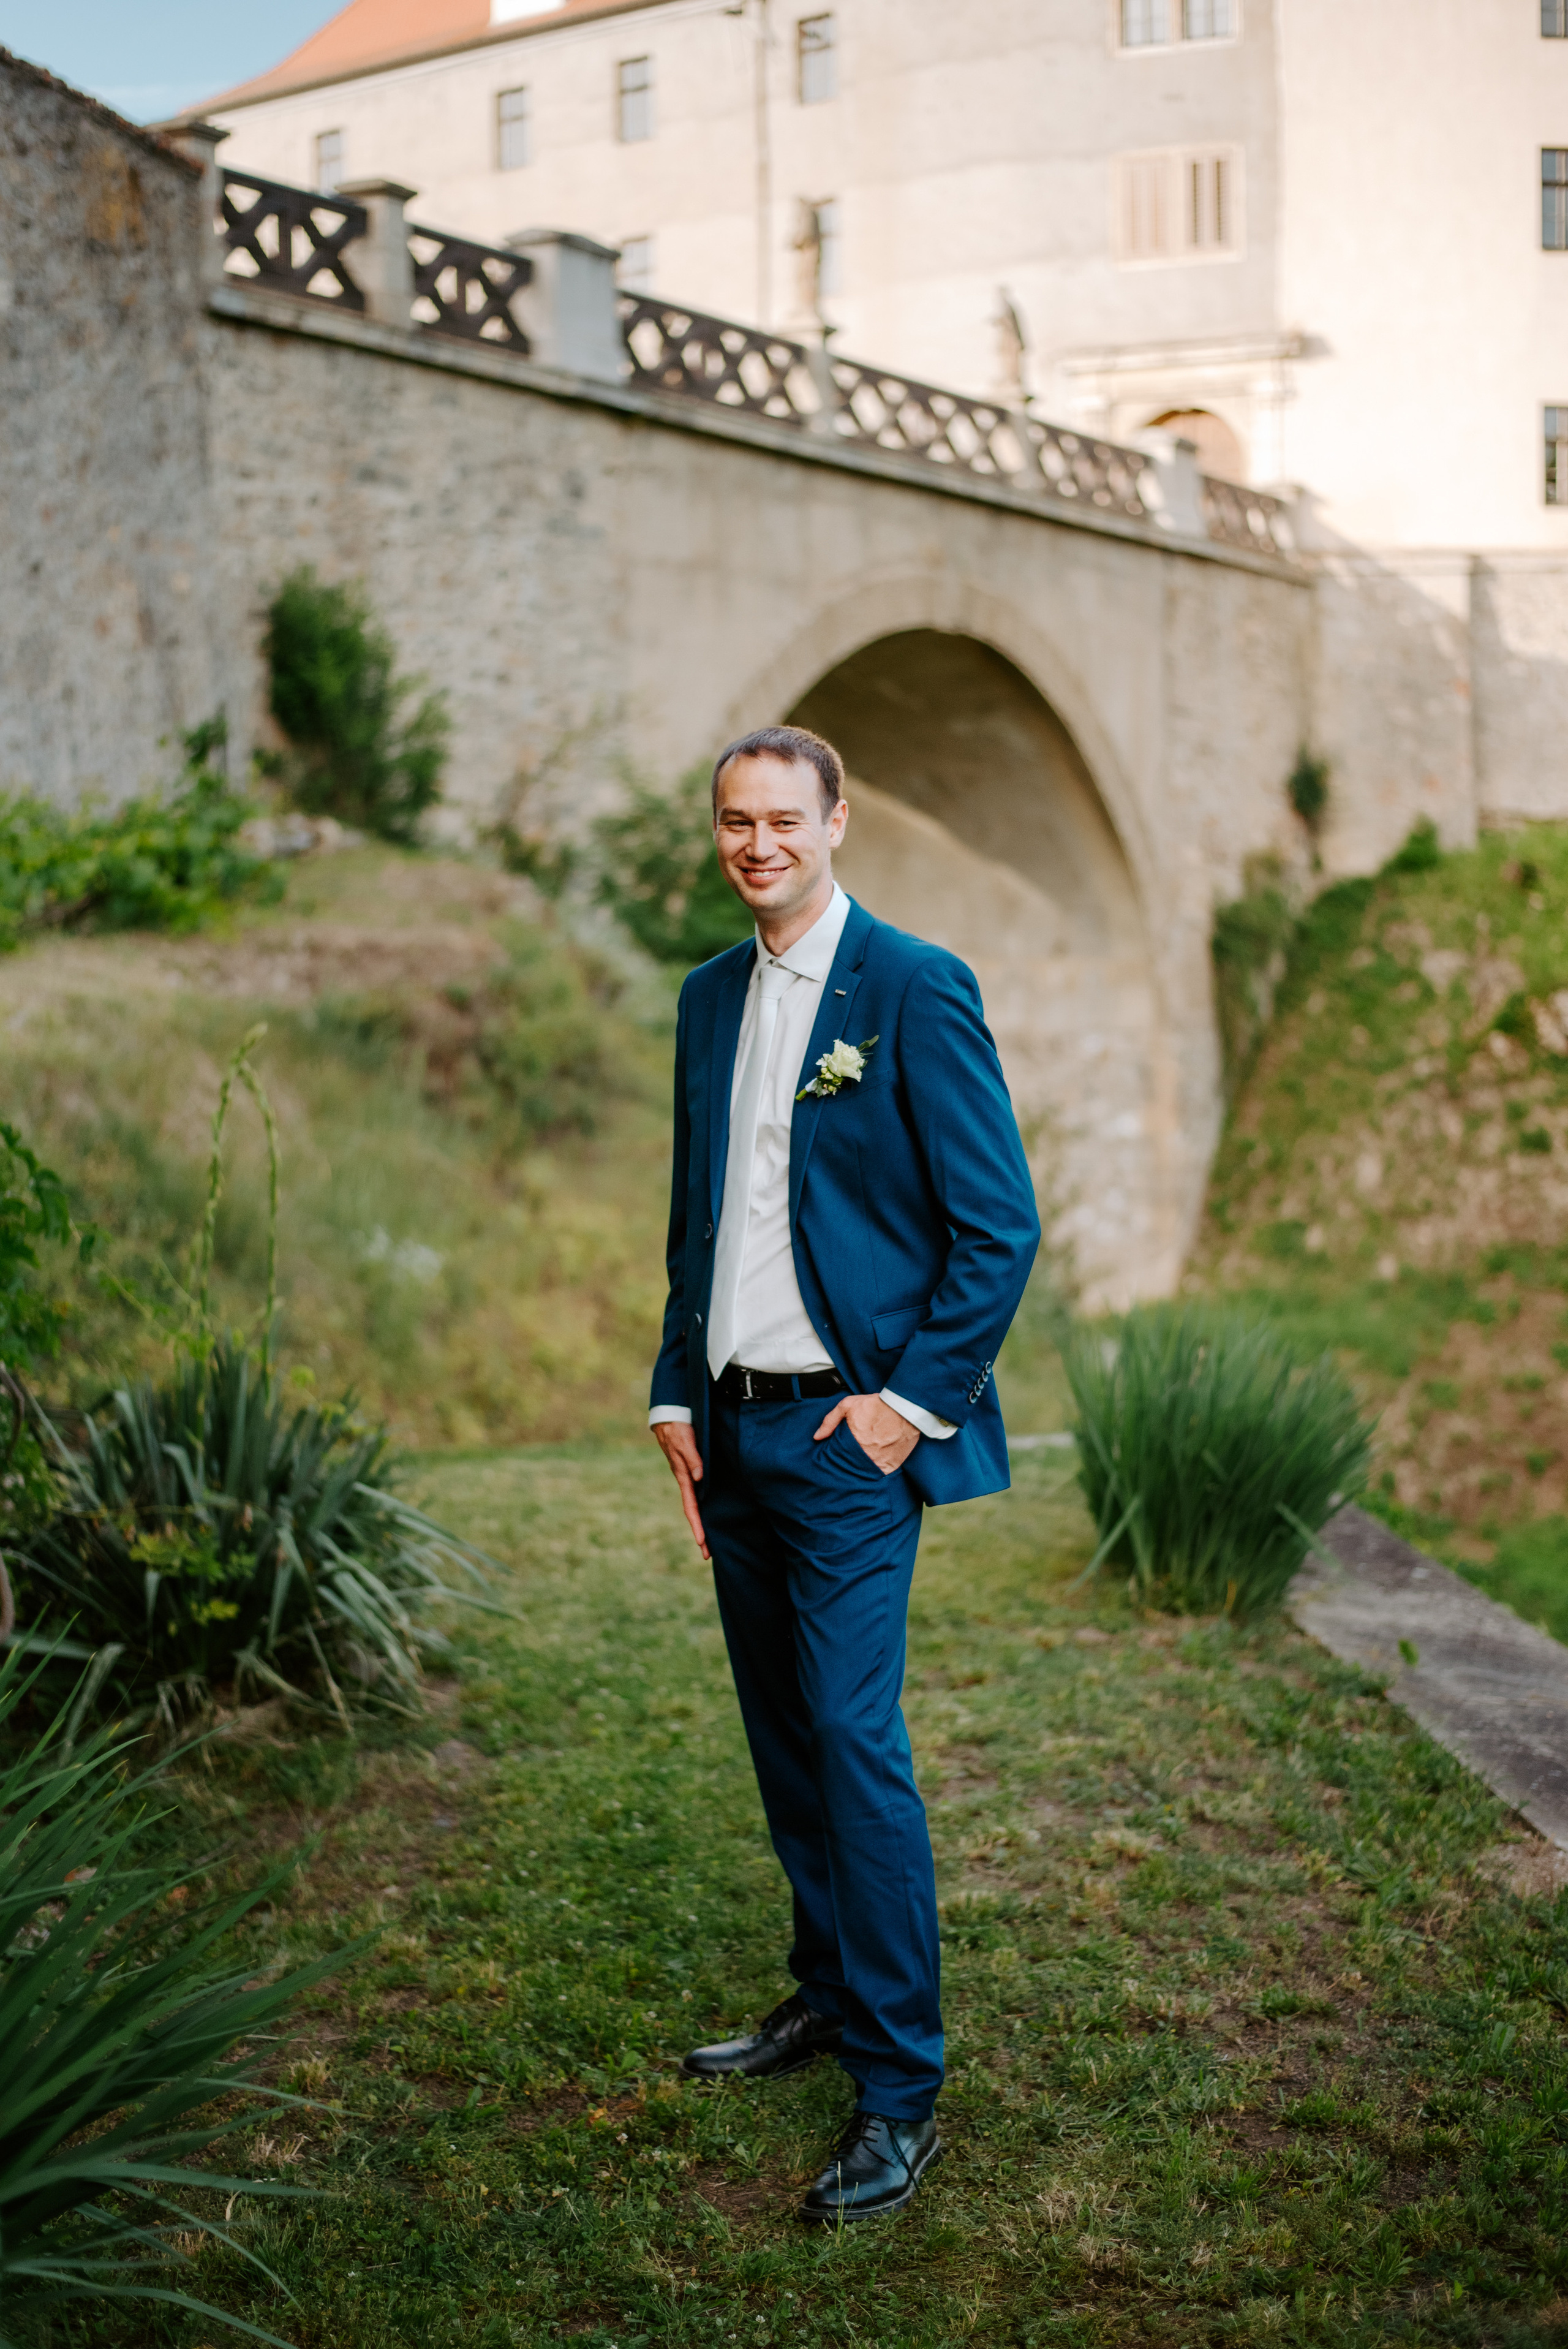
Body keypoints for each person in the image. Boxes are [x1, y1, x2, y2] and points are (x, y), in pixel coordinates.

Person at [649, 724, 1040, 2223]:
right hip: (731, 1426)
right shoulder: (705, 999)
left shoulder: (912, 987)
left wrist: (901, 1411)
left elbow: (993, 1229)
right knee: (783, 1736)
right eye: (734, 823)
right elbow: (700, 1216)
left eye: (781, 821)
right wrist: (672, 1385)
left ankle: (898, 2089)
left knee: (855, 1744)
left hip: (844, 1441)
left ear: (836, 825)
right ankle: (823, 1988)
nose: (757, 845)